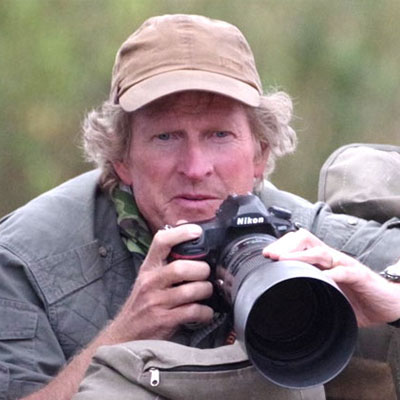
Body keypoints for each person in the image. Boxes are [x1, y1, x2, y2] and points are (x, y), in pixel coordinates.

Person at [1, 14, 400, 400]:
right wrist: (124, 334)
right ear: (121, 158)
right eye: (166, 137)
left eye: (220, 135)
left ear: (259, 154)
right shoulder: (25, 259)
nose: (195, 168)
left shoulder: (298, 232)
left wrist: (388, 298)